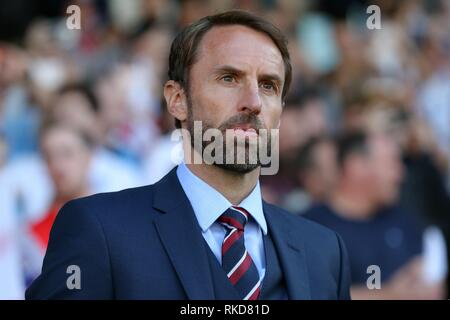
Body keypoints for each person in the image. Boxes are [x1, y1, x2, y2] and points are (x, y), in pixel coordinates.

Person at [26, 10, 351, 300]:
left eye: (268, 85)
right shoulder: (99, 230)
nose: (253, 101)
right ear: (177, 99)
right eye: (228, 78)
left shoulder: (324, 251)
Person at [303, 130, 446, 299]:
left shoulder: (403, 221)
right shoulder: (310, 228)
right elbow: (309, 293)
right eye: (392, 163)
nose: (400, 174)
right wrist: (391, 294)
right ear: (357, 166)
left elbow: (431, 286)